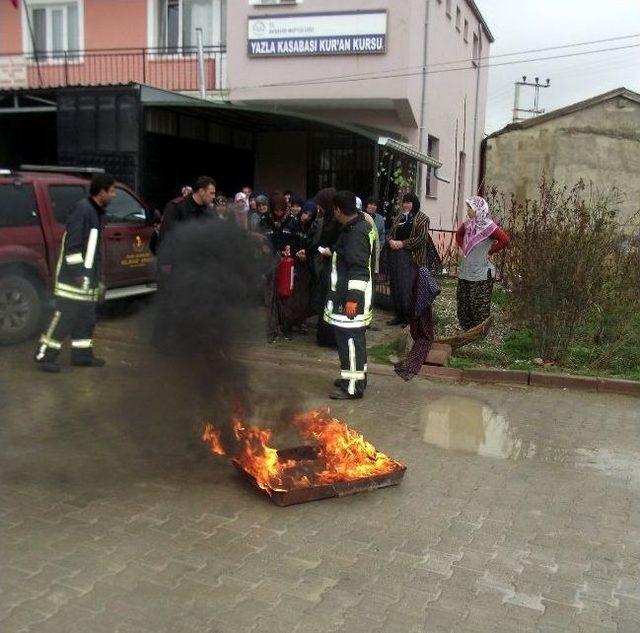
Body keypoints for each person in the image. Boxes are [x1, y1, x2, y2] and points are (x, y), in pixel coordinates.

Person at [34, 174, 117, 372]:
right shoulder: (83, 210)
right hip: (73, 282)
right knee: (63, 318)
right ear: (102, 191)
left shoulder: (96, 213)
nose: (114, 195)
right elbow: (72, 247)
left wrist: (98, 279)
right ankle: (44, 356)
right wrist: (80, 274)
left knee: (86, 320)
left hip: (88, 282)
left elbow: (93, 252)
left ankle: (82, 356)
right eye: (112, 191)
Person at [324, 191, 376, 400]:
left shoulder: (355, 233)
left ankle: (353, 387)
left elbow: (358, 269)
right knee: (354, 343)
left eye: (333, 209)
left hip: (352, 301)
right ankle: (354, 377)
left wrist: (352, 299)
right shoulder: (359, 225)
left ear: (338, 209)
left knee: (351, 343)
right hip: (350, 297)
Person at [455, 196, 510, 330]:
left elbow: (505, 240)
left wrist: (491, 251)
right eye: (468, 207)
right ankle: (467, 329)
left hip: (481, 273)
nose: (468, 211)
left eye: (470, 208)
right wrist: (464, 248)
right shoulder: (468, 224)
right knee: (464, 301)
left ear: (479, 210)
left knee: (479, 304)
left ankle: (479, 331)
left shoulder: (489, 227)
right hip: (466, 269)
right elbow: (458, 235)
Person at [259, 192, 304, 341]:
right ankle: (271, 330)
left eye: (281, 210)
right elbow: (258, 239)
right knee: (269, 297)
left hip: (287, 264)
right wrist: (262, 247)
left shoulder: (293, 222)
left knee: (286, 297)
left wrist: (292, 248)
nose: (279, 213)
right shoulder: (264, 220)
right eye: (276, 210)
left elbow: (300, 241)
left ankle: (286, 328)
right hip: (269, 263)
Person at [386, 192, 430, 327]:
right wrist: (390, 241)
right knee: (395, 286)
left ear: (414, 203)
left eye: (409, 202)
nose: (406, 205)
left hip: (410, 257)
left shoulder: (423, 218)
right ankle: (398, 315)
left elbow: (421, 239)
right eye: (404, 202)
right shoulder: (400, 217)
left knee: (406, 288)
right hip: (395, 255)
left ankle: (408, 318)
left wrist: (402, 244)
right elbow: (391, 233)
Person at [394, 267, 440, 381]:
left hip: (417, 299)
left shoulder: (420, 270)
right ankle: (409, 365)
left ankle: (408, 364)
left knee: (422, 336)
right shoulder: (420, 270)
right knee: (425, 339)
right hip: (419, 302)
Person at [313, 187, 339, 348]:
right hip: (326, 266)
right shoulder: (327, 219)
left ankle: (331, 337)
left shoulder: (336, 221)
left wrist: (332, 251)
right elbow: (320, 242)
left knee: (331, 303)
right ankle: (324, 336)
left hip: (334, 267)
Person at [366, 197, 386, 265]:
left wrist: (378, 248)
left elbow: (382, 236)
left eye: (374, 205)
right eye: (370, 204)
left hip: (375, 251)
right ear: (367, 205)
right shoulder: (361, 216)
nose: (372, 206)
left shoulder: (380, 219)